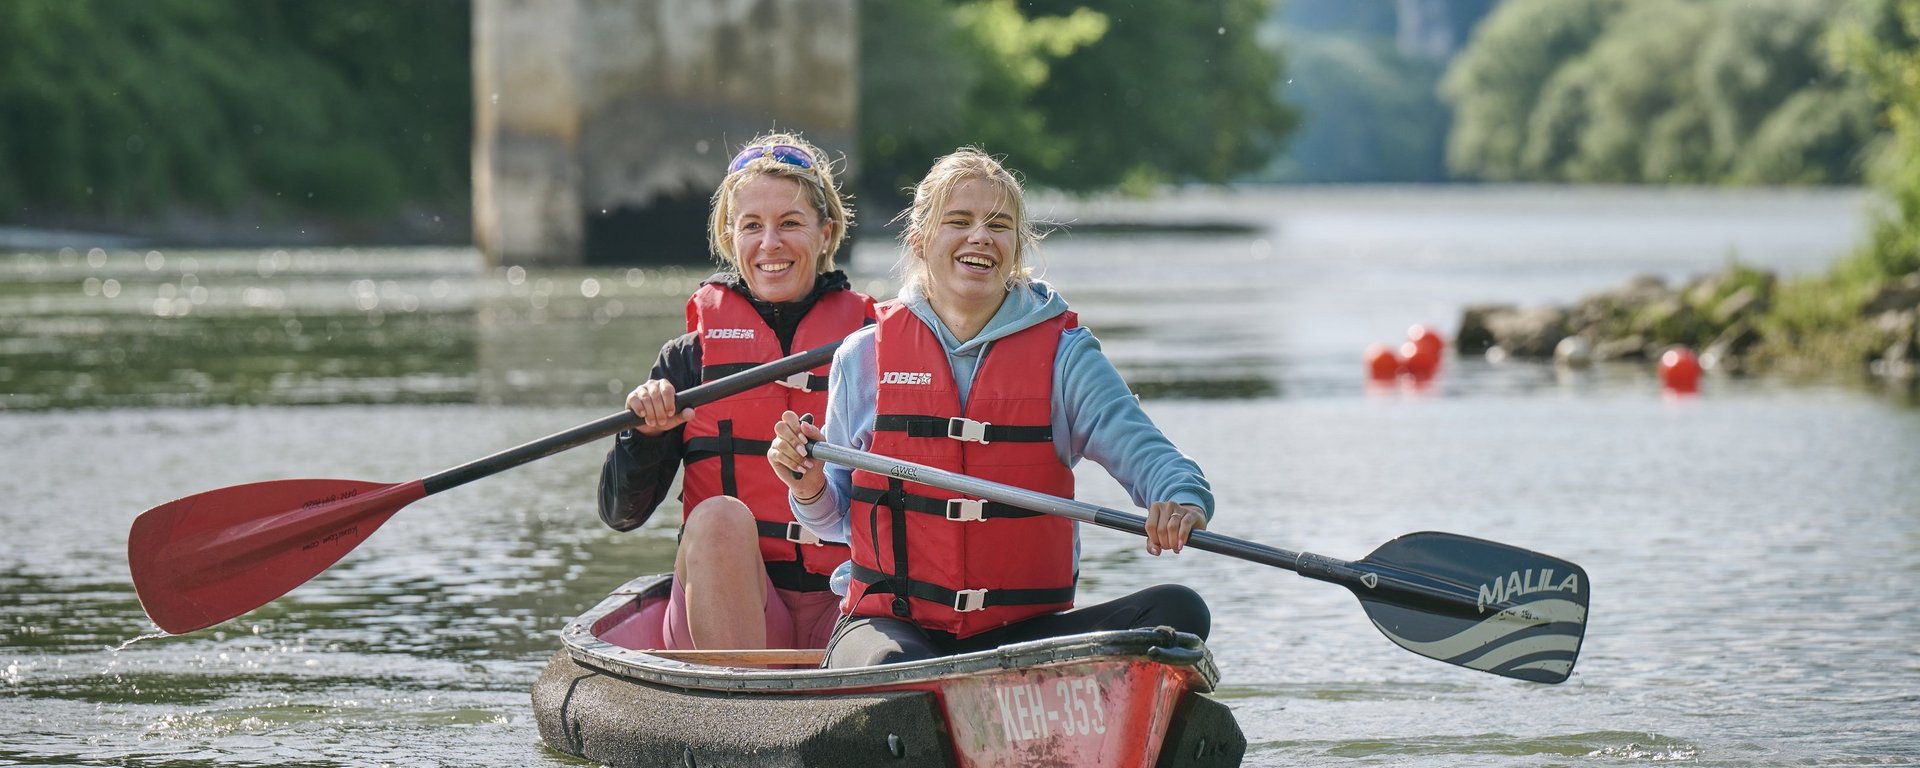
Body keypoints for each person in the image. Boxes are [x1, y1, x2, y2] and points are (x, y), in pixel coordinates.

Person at [766, 148, 1213, 667]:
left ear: (1016, 248)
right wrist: (808, 484)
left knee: (1179, 613)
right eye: (959, 221)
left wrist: (1179, 499)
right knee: (892, 669)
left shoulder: (1066, 357)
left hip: (1022, 635)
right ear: (920, 239)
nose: (980, 236)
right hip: (893, 627)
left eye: (998, 225)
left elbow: (1151, 456)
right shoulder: (862, 357)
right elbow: (836, 521)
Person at [599, 132, 875, 651]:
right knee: (719, 517)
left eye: (790, 223)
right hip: (732, 604)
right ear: (731, 239)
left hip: (846, 604)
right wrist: (645, 438)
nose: (770, 243)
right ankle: (741, 710)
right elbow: (621, 514)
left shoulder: (874, 349)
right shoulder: (687, 360)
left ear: (826, 232)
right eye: (752, 227)